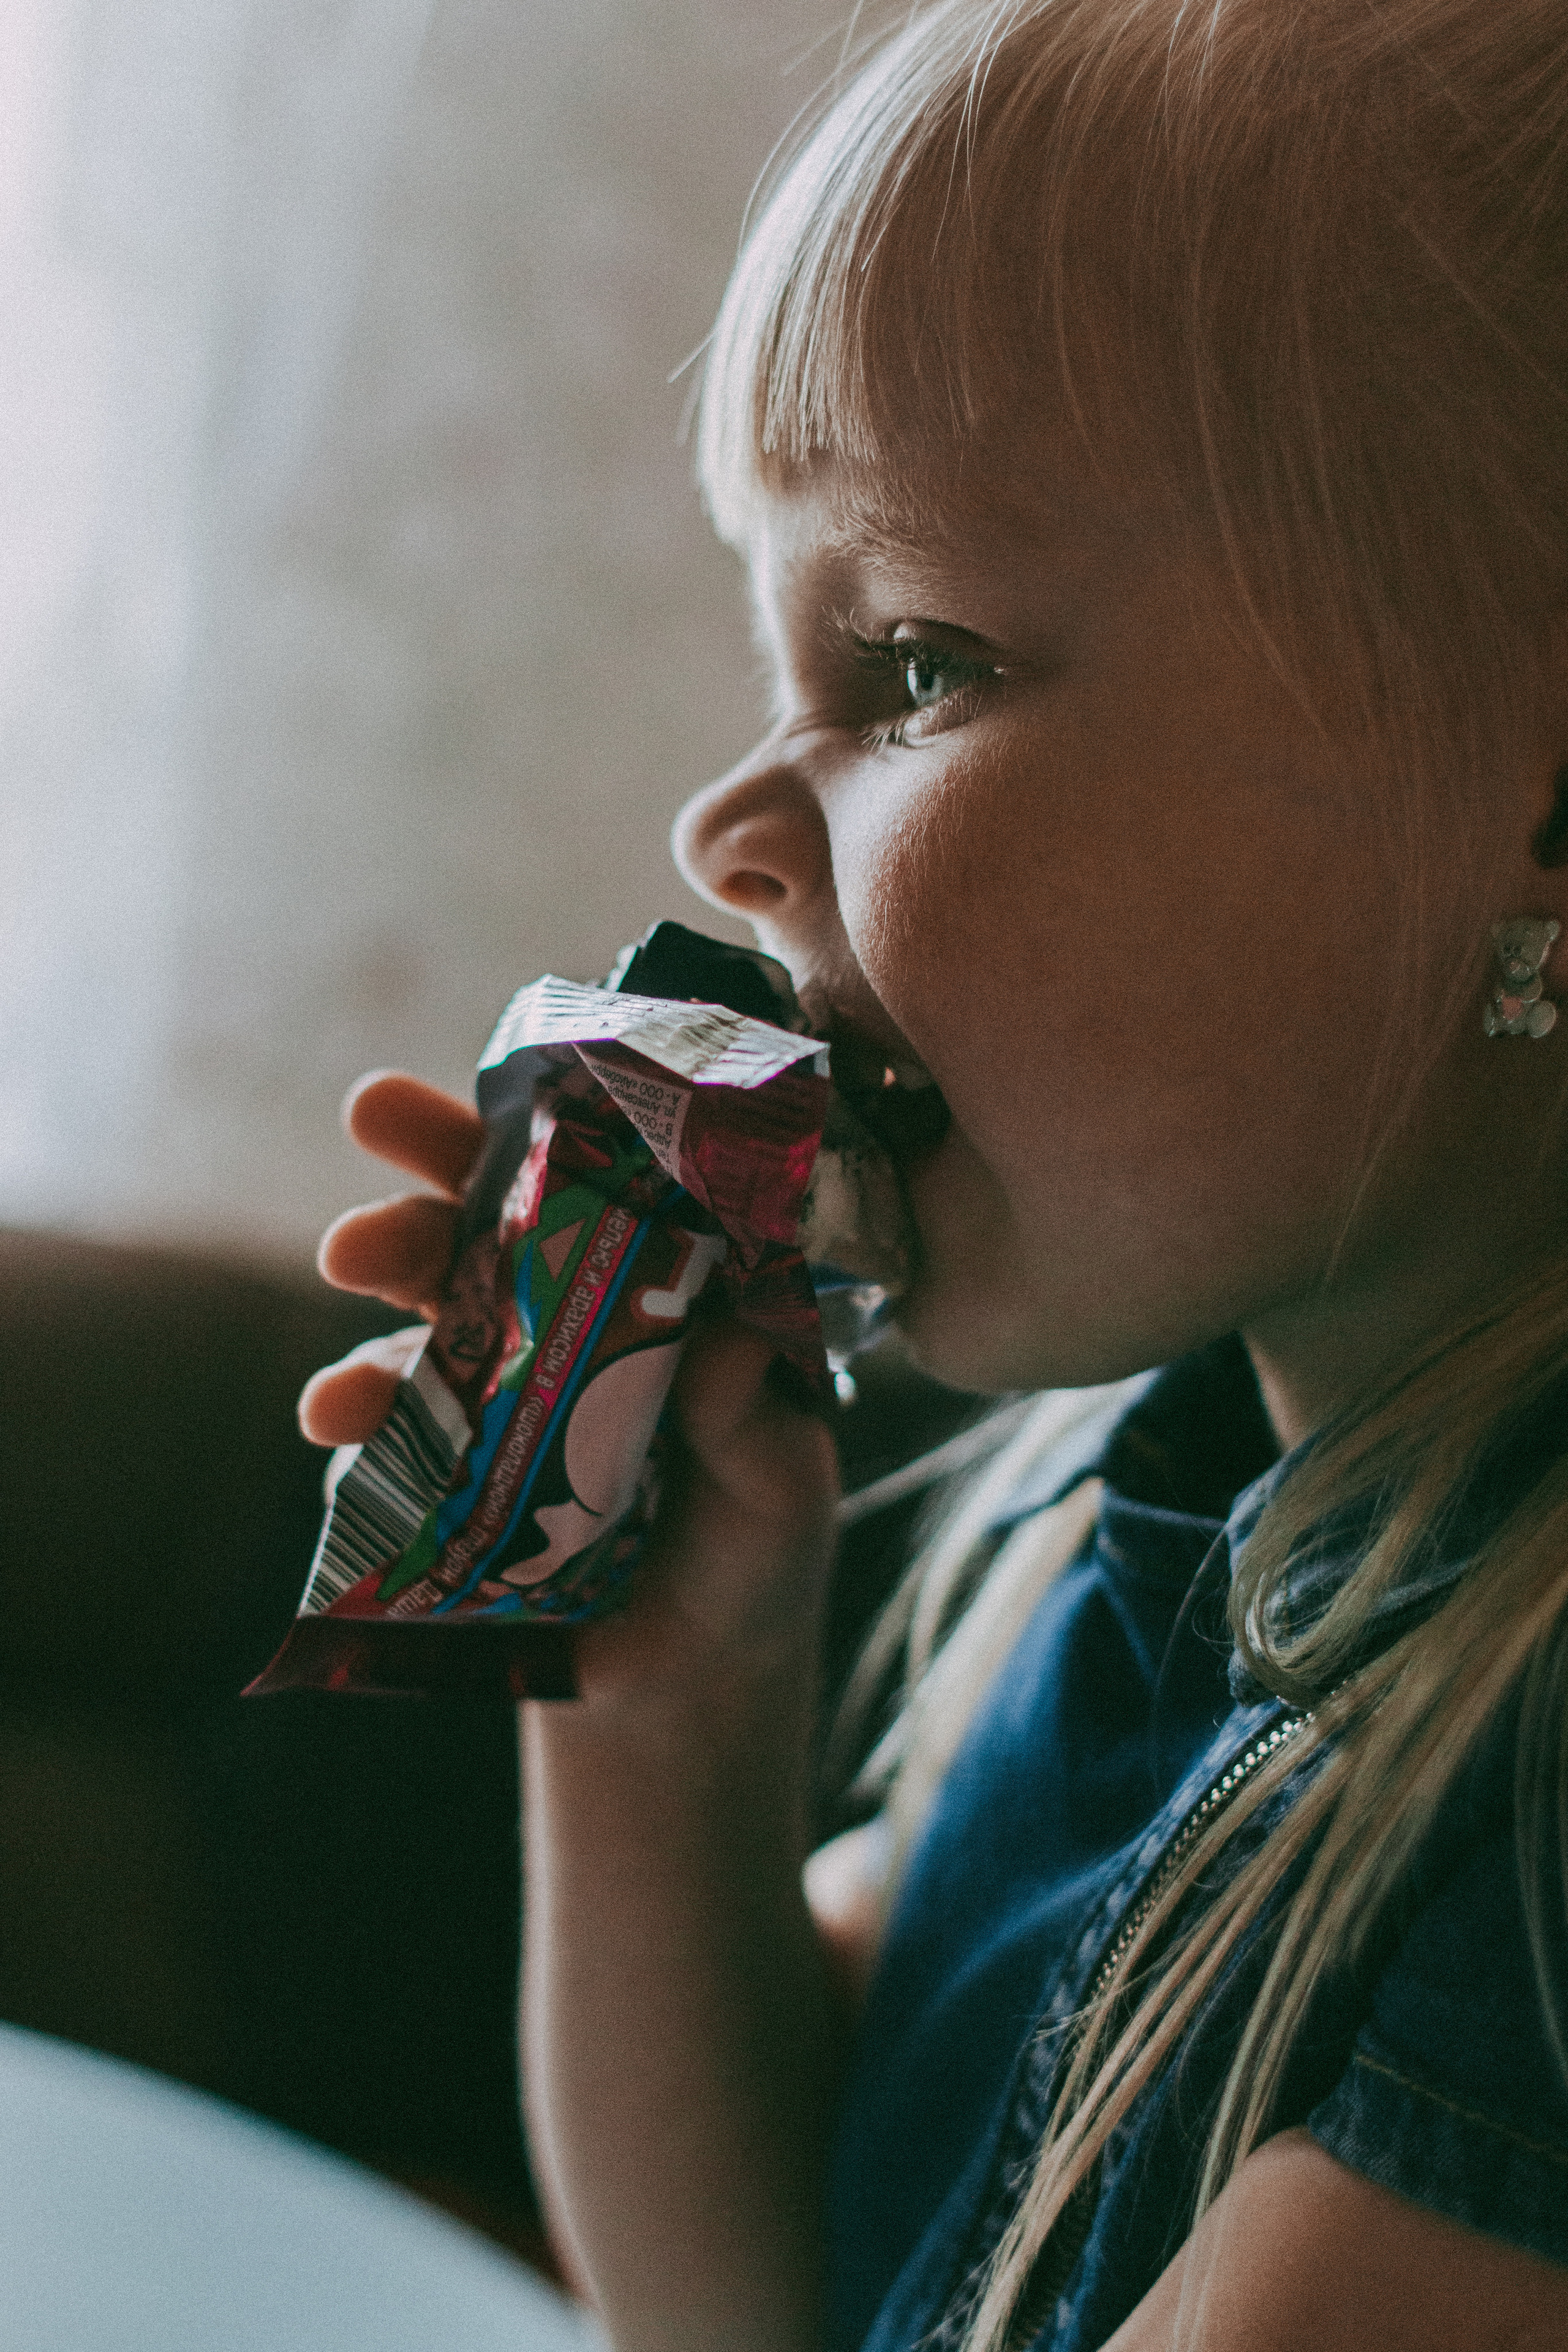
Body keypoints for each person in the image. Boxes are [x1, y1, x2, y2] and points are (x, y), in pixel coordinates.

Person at [295, 3, 1568, 2344]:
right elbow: (744, 2308)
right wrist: (665, 1717)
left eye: (911, 662)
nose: (728, 827)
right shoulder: (1150, 1494)